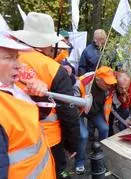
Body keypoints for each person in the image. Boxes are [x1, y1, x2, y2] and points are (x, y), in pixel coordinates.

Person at [9, 12, 80, 178]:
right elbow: (68, 112)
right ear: (48, 43)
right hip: (48, 140)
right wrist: (72, 144)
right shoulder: (54, 69)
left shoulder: (7, 60)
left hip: (12, 140)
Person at [0, 32, 56, 179]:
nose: (19, 65)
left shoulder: (10, 87)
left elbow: (33, 119)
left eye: (17, 56)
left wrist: (38, 96)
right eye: (8, 58)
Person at [73, 66, 117, 174]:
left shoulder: (109, 88)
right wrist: (82, 102)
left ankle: (100, 153)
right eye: (106, 82)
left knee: (104, 128)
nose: (109, 85)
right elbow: (71, 105)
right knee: (83, 135)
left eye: (110, 82)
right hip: (79, 112)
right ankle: (79, 162)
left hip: (94, 112)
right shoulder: (81, 84)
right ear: (98, 79)